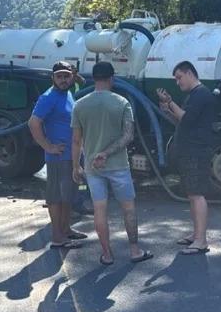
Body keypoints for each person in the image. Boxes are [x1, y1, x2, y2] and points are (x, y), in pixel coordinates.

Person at [71, 62, 153, 266]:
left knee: (100, 210)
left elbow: (76, 141)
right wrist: (106, 153)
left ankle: (107, 255)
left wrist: (75, 166)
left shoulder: (80, 104)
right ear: (112, 78)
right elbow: (128, 136)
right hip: (118, 166)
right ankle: (135, 251)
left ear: (94, 78)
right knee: (129, 209)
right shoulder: (122, 102)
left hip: (92, 167)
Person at [157, 61, 217, 255]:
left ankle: (201, 240)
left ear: (189, 73)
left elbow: (188, 118)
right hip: (188, 150)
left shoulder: (201, 94)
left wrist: (171, 102)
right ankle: (196, 234)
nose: (177, 82)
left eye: (179, 77)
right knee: (192, 194)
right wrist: (167, 109)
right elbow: (182, 122)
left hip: (197, 151)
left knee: (197, 194)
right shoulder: (193, 95)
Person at [28, 62, 88, 250]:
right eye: (59, 76)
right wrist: (48, 146)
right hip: (58, 157)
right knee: (56, 197)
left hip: (72, 155)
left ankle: (66, 229)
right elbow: (33, 123)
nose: (63, 79)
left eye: (66, 76)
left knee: (68, 195)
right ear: (52, 78)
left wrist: (77, 78)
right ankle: (57, 237)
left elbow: (81, 83)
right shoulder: (48, 97)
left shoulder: (68, 92)